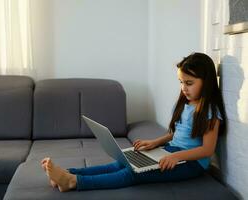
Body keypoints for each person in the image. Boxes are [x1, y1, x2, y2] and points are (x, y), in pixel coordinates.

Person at [41, 52, 226, 192]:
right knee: (122, 163)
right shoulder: (186, 104)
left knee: (132, 173)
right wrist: (155, 142)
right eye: (181, 82)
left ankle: (74, 182)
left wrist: (176, 157)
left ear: (206, 81)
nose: (183, 88)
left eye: (189, 83)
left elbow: (207, 150)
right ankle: (67, 173)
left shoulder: (210, 111)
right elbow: (178, 133)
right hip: (172, 152)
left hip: (191, 164)